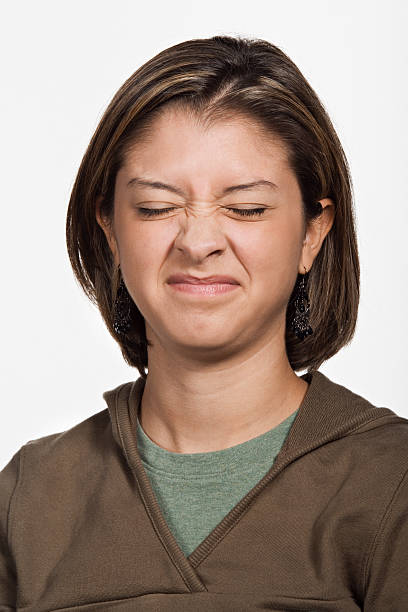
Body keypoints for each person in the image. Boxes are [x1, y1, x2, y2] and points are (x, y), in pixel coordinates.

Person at [1, 35, 407, 611]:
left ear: (312, 233)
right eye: (156, 207)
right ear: (111, 231)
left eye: (245, 208)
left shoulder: (391, 482)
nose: (198, 241)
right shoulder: (31, 496)